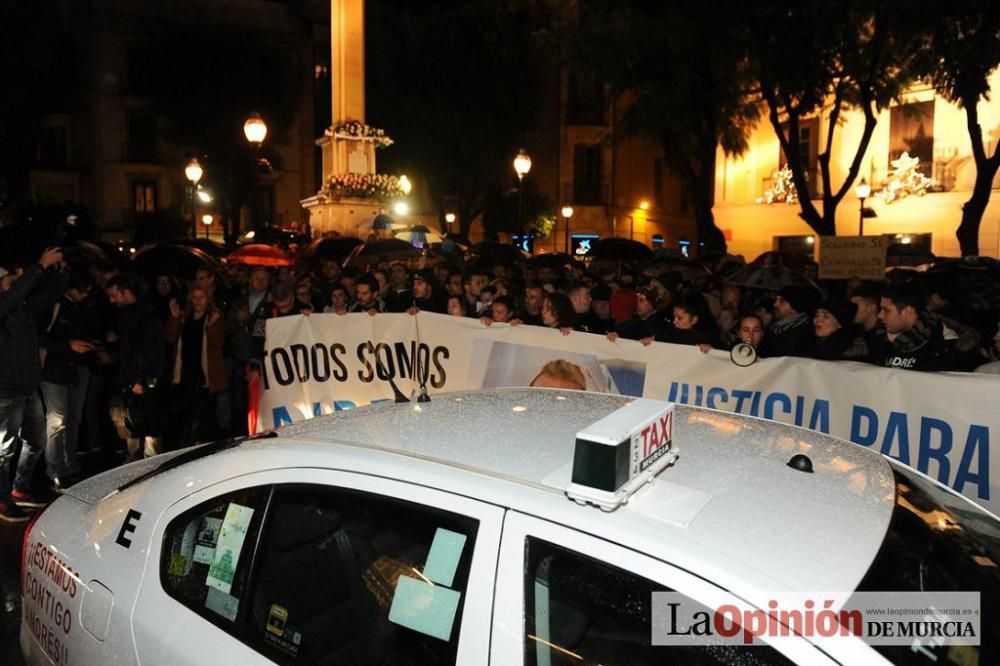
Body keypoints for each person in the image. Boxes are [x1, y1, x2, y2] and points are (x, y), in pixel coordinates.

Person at [0, 248, 66, 521]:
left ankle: (19, 489)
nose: (14, 281)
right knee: (3, 450)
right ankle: (2, 501)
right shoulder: (5, 306)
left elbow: (46, 297)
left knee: (36, 439)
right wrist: (40, 265)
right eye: (7, 279)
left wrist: (60, 273)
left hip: (27, 386)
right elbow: (17, 293)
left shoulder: (20, 308)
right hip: (5, 389)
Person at [38, 269, 100, 491]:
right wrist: (68, 345)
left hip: (79, 368)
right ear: (70, 288)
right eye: (81, 291)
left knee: (73, 418)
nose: (84, 295)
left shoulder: (84, 306)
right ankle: (55, 468)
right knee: (57, 420)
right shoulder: (54, 305)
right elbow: (39, 337)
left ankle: (68, 463)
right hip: (55, 371)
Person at [106, 273, 166, 461]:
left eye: (114, 295)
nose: (111, 299)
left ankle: (150, 464)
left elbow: (149, 350)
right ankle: (135, 462)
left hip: (143, 380)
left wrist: (139, 379)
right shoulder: (125, 313)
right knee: (130, 423)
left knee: (148, 424)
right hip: (131, 379)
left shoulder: (147, 315)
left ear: (126, 292)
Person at [165, 286, 228, 448]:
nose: (198, 301)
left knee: (204, 413)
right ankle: (186, 445)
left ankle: (203, 444)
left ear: (208, 299)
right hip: (185, 372)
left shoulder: (214, 317)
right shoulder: (184, 316)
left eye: (202, 297)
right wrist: (173, 318)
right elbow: (170, 338)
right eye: (195, 297)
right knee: (185, 412)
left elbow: (218, 343)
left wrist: (212, 326)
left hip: (205, 374)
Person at [867, 283, 958, 371]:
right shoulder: (877, 337)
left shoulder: (943, 343)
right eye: (881, 309)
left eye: (886, 310)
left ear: (908, 311)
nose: (880, 315)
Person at [759, 285, 819, 358]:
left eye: (781, 301)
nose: (775, 304)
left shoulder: (805, 332)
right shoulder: (776, 327)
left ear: (794, 304)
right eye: (776, 300)